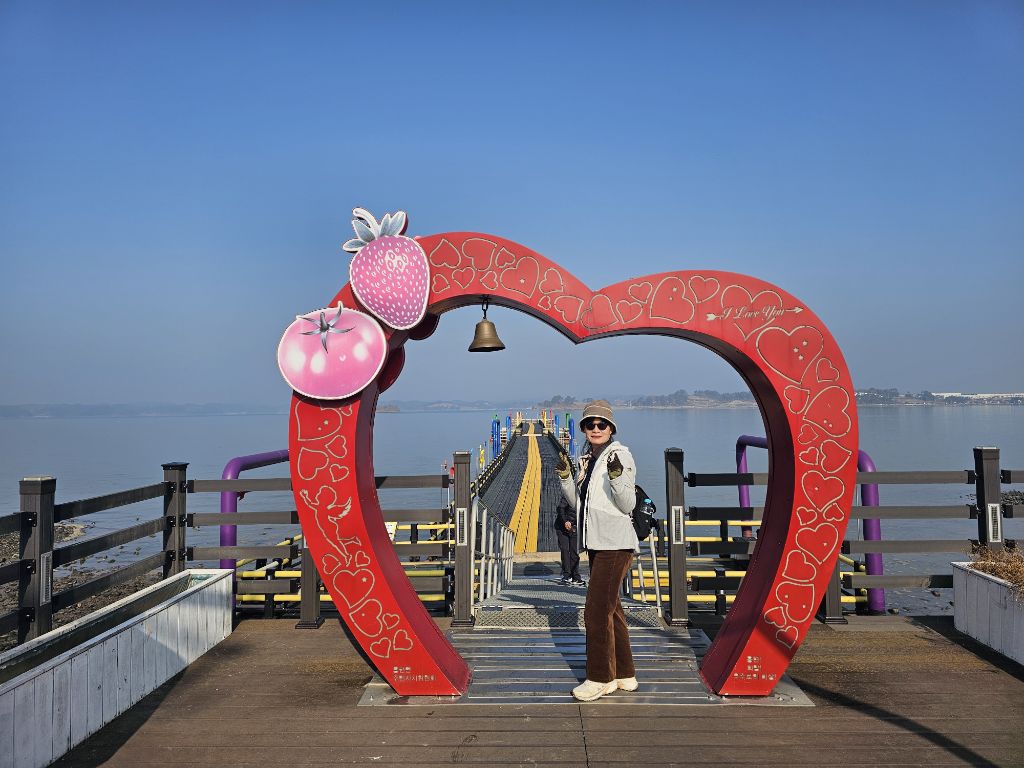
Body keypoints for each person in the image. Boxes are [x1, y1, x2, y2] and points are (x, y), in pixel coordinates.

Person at [555, 399, 639, 702]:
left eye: (601, 424)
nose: (595, 428)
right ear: (584, 429)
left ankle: (600, 678)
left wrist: (616, 478)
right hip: (597, 542)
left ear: (611, 428)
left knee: (595, 611)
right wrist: (566, 478)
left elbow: (627, 504)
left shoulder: (620, 456)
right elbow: (579, 506)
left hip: (615, 543)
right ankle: (624, 674)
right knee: (611, 609)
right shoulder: (589, 459)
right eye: (589, 424)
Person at [554, 492, 584, 586]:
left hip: (575, 528)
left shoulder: (587, 497)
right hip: (562, 527)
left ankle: (576, 577)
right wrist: (565, 521)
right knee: (565, 550)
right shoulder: (570, 494)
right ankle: (567, 575)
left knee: (574, 552)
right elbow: (560, 508)